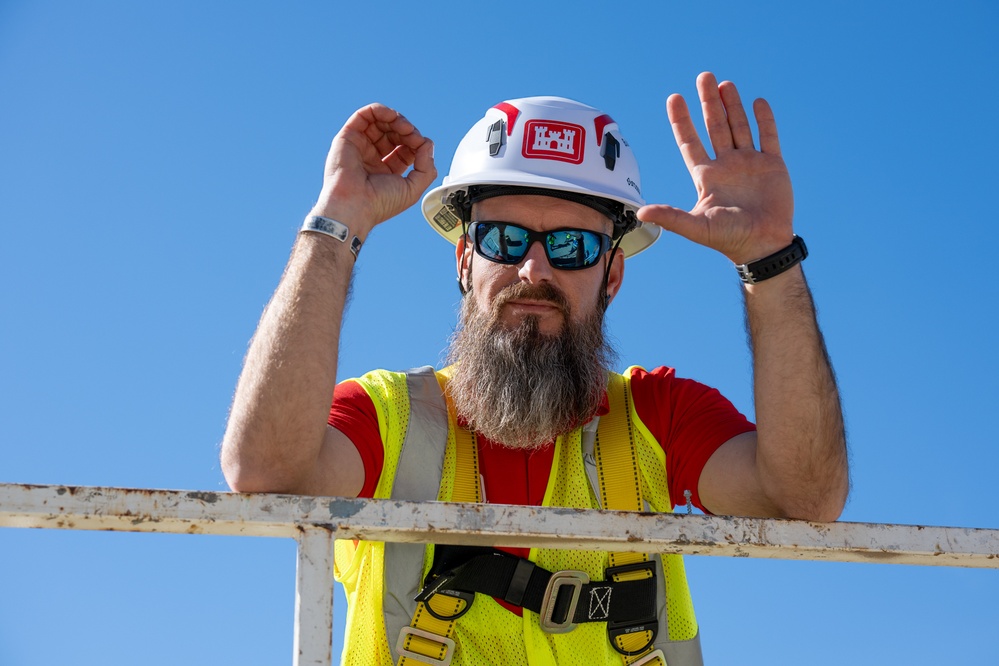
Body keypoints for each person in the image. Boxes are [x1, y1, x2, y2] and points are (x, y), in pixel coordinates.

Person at [221, 72, 849, 666]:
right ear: (466, 259)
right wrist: (338, 221)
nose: (536, 271)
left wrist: (770, 258)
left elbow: (805, 500)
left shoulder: (656, 418)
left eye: (573, 247)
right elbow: (267, 471)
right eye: (506, 241)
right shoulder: (389, 419)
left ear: (614, 276)